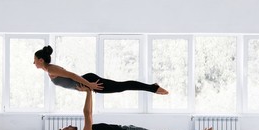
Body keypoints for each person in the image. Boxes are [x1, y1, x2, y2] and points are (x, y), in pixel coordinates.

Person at [58, 84, 213, 130]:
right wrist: (88, 91)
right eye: (67, 129)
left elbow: (88, 114)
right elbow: (88, 113)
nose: (69, 126)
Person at [34, 45, 168, 94]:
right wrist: (82, 88)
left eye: (35, 60)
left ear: (41, 60)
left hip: (90, 81)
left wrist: (89, 84)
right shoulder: (49, 70)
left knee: (122, 86)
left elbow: (72, 75)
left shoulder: (51, 69)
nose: (33, 63)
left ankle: (153, 88)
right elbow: (70, 82)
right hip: (87, 84)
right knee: (121, 87)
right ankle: (152, 87)